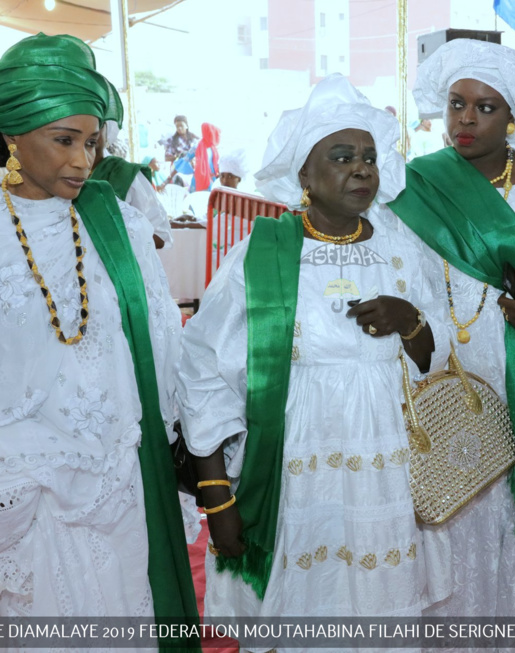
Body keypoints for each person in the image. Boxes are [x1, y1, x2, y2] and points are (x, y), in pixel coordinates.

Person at [0, 34, 199, 649]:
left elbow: (167, 352)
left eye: (92, 143)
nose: (83, 161)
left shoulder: (123, 225)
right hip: (31, 499)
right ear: (11, 136)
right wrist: (3, 473)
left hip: (125, 482)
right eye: (64, 141)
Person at [176, 74, 444, 638]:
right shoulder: (263, 253)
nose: (361, 168)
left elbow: (437, 359)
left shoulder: (400, 249)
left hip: (386, 470)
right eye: (342, 156)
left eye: (369, 157)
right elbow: (202, 368)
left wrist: (410, 321)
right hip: (294, 470)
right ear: (303, 174)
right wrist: (217, 497)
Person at [388, 38, 515, 639]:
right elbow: (398, 274)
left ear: (513, 115)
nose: (466, 120)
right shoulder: (415, 187)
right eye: (456, 105)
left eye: (485, 107)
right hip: (438, 378)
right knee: (443, 516)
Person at [90, 120, 172, 248]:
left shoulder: (123, 174)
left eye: (96, 122)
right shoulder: (53, 176)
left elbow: (160, 236)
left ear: (106, 130)